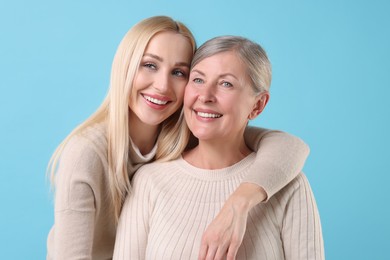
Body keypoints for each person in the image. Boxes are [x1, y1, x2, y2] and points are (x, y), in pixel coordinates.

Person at [47, 16, 310, 260]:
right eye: (149, 65)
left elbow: (289, 147)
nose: (162, 85)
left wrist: (238, 204)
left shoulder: (186, 132)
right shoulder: (87, 153)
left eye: (179, 73)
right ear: (123, 67)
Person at [113, 35, 324, 260]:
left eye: (226, 84)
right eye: (198, 80)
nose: (205, 96)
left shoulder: (287, 185)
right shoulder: (149, 182)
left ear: (258, 105)